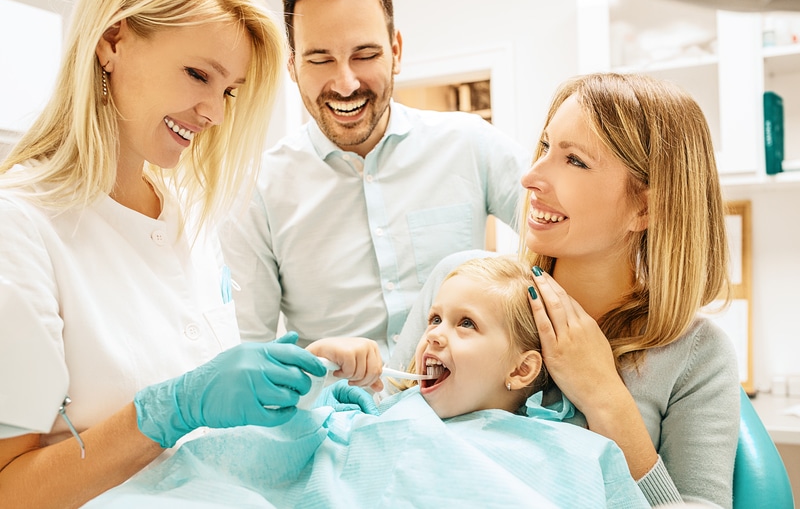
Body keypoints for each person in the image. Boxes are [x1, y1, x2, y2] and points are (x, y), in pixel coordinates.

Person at [0, 0, 341, 507]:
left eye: (228, 90)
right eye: (197, 74)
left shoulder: (190, 215)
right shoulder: (18, 225)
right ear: (113, 41)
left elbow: (209, 406)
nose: (216, 113)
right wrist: (167, 410)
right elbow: (9, 487)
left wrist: (300, 383)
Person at [388, 73, 741, 508]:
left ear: (644, 208)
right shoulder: (459, 287)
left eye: (574, 160)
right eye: (544, 147)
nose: (531, 177)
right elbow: (380, 431)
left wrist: (604, 397)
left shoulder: (697, 356)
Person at [84, 255, 650, 508]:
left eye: (465, 325)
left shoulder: (567, 451)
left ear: (522, 370)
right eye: (434, 318)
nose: (433, 335)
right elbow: (285, 457)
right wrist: (318, 379)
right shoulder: (376, 416)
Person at [219, 0, 529, 357]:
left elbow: (570, 241)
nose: (346, 84)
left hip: (464, 410)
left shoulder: (471, 145)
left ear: (396, 51)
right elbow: (250, 352)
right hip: (335, 412)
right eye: (319, 59)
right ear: (293, 65)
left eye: (365, 55)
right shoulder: (259, 189)